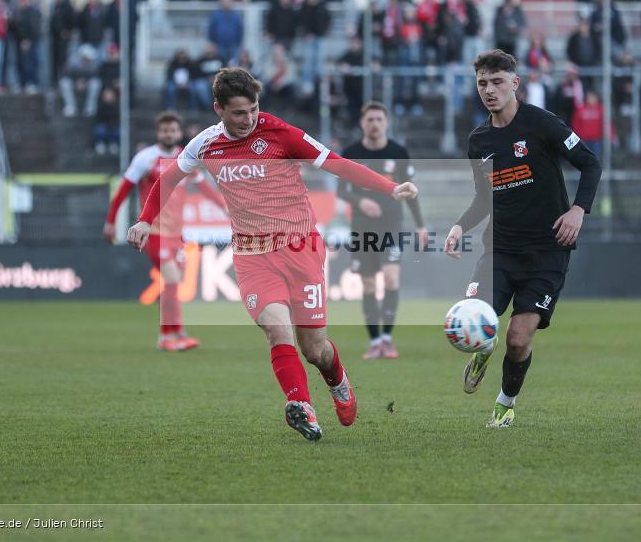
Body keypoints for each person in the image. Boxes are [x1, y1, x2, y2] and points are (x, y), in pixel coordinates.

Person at [126, 68, 418, 441]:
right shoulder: (204, 145)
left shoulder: (280, 133)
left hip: (301, 248)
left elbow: (335, 163)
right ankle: (303, 407)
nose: (248, 119)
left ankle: (338, 380)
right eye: (237, 113)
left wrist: (389, 188)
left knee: (314, 349)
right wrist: (144, 221)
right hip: (252, 254)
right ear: (218, 109)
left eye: (253, 109)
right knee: (276, 330)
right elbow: (168, 179)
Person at [444, 50, 601, 428]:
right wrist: (459, 227)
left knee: (517, 338)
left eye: (497, 81)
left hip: (548, 251)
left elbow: (590, 163)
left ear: (515, 83)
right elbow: (485, 198)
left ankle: (505, 402)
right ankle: (483, 348)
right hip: (499, 250)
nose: (489, 90)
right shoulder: (479, 141)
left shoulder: (544, 125)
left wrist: (578, 210)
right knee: (474, 320)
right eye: (483, 83)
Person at [105, 111, 225, 350]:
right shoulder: (145, 158)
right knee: (171, 278)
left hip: (177, 233)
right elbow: (123, 191)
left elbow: (204, 187)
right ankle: (166, 337)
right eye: (164, 130)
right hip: (154, 232)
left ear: (179, 133)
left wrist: (226, 208)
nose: (168, 134)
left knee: (174, 282)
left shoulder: (185, 157)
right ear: (158, 132)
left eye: (172, 130)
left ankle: (176, 333)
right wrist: (110, 221)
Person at [338, 101, 427, 359]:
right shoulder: (351, 152)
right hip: (362, 228)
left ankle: (387, 339)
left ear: (386, 122)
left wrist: (420, 225)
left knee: (390, 278)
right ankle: (374, 341)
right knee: (367, 284)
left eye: (379, 119)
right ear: (362, 123)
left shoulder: (398, 152)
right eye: (370, 120)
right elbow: (341, 191)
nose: (374, 124)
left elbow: (410, 192)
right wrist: (360, 201)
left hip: (391, 225)